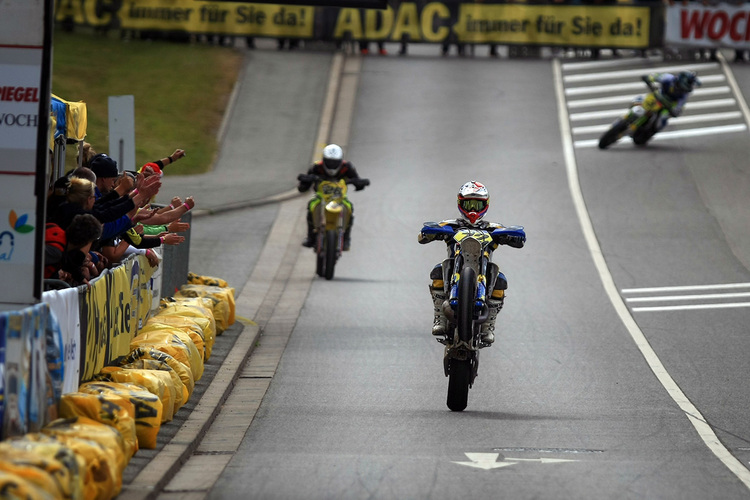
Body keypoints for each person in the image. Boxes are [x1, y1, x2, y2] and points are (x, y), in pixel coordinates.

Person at [417, 181, 525, 344]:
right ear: (461, 204)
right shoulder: (451, 224)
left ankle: (489, 324)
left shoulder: (493, 227)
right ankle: (439, 316)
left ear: (485, 205)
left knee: (501, 280)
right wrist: (430, 233)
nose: (473, 210)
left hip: (483, 270)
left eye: (477, 204)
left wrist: (512, 235)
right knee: (437, 270)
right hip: (455, 266)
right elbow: (422, 236)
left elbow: (519, 240)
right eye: (469, 204)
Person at [297, 144, 368, 251]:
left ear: (340, 160)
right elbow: (303, 186)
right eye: (329, 161)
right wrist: (306, 181)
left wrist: (359, 183)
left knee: (349, 207)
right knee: (311, 205)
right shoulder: (317, 167)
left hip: (340, 198)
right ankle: (311, 237)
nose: (332, 165)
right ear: (324, 160)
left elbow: (356, 180)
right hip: (321, 196)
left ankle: (346, 238)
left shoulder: (347, 167)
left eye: (335, 162)